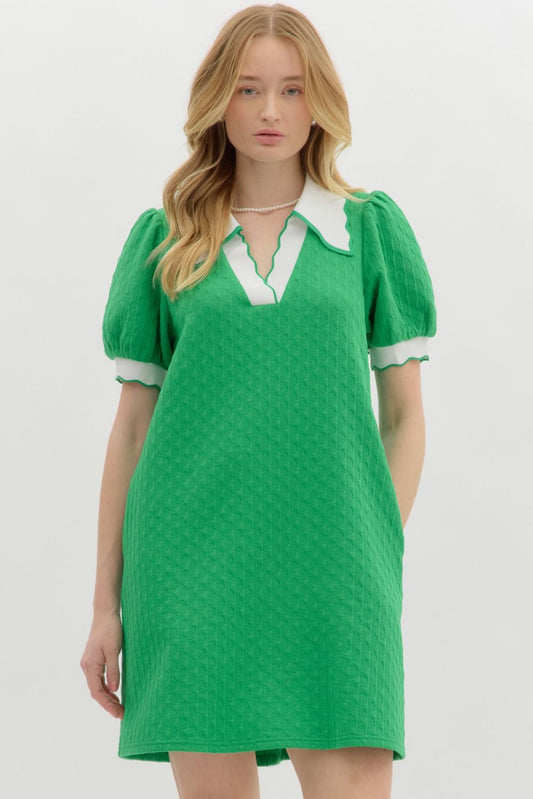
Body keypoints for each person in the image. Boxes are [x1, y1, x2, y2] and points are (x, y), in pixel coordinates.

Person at [80, 4, 437, 798]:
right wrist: (105, 606)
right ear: (217, 100)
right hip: (189, 564)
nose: (269, 110)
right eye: (247, 89)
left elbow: (405, 416)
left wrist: (371, 542)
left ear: (320, 102)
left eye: (291, 89)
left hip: (337, 569)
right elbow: (132, 430)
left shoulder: (367, 232)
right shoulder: (166, 241)